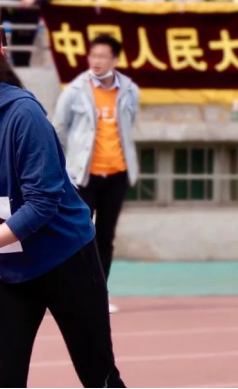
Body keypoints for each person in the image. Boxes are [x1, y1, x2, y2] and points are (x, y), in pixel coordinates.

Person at [0, 12, 125, 388]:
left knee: (98, 376)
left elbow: (41, 204)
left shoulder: (23, 115)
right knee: (3, 379)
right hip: (5, 267)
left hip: (65, 259)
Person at [52, 35, 140, 316]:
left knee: (105, 237)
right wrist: (64, 166)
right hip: (83, 177)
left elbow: (129, 123)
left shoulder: (129, 90)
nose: (96, 61)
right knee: (78, 235)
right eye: (93, 56)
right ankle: (72, 292)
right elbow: (59, 128)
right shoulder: (75, 90)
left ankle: (99, 293)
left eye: (103, 56)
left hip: (117, 174)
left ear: (115, 60)